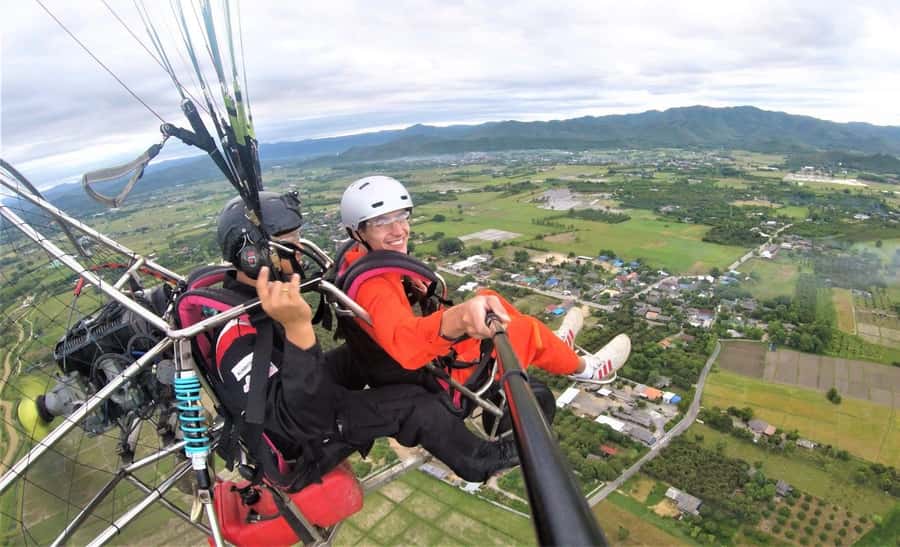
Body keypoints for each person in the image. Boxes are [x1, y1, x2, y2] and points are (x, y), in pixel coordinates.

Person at [212, 192, 518, 485]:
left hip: (296, 392)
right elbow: (300, 418)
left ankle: (439, 399)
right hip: (299, 434)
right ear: (256, 257)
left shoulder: (256, 300)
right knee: (413, 406)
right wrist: (298, 328)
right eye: (292, 244)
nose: (300, 252)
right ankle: (478, 460)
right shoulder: (236, 332)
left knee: (367, 356)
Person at [336, 176, 631, 423]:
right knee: (526, 329)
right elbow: (406, 347)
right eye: (381, 222)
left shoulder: (359, 260)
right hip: (444, 378)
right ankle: (588, 370)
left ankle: (557, 348)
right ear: (357, 231)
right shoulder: (374, 287)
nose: (399, 230)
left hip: (428, 361)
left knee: (489, 297)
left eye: (401, 216)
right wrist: (460, 318)